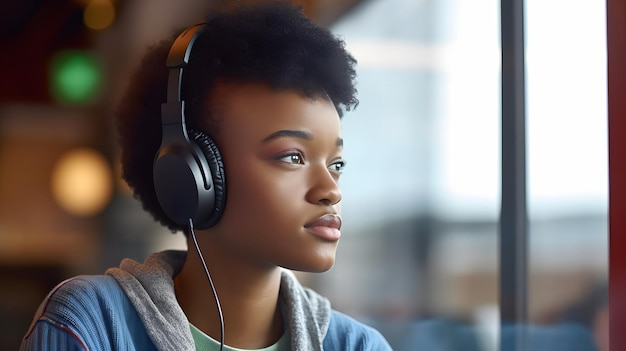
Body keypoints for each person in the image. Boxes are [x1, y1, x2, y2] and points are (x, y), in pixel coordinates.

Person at [20, 1, 392, 350]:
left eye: (336, 164)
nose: (330, 191)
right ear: (191, 173)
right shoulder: (90, 324)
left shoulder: (359, 345)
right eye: (293, 156)